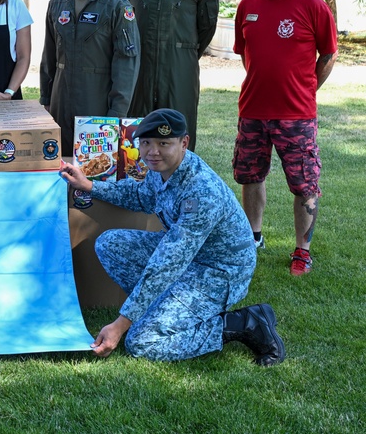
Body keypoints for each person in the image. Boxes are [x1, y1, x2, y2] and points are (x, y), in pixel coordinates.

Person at [59, 108, 285, 366]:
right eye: (146, 143)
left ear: (184, 143)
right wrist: (90, 186)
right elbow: (141, 197)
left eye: (163, 143)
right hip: (191, 260)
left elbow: (168, 264)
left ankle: (243, 323)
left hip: (219, 271)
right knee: (111, 244)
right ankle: (160, 310)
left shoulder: (201, 191)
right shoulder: (162, 168)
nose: (152, 152)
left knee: (141, 341)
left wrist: (121, 324)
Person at [233, 0, 338, 276]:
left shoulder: (311, 5)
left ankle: (302, 250)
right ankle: (253, 237)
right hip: (252, 111)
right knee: (251, 176)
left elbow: (329, 54)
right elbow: (248, 56)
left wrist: (307, 88)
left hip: (296, 115)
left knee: (304, 183)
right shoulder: (247, 7)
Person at [115, 0, 219, 150]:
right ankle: (133, 186)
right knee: (134, 135)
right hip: (137, 69)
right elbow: (118, 20)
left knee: (176, 133)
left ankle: (178, 187)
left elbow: (207, 26)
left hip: (179, 71)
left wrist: (180, 51)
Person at [41, 0, 141, 156]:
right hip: (60, 102)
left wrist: (116, 113)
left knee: (95, 168)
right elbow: (49, 57)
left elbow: (126, 65)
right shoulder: (57, 4)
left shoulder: (117, 7)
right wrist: (46, 99)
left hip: (97, 104)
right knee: (60, 164)